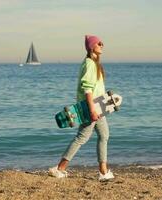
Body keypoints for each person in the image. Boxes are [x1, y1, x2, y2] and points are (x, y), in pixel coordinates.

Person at [49, 35, 114, 181]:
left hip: (98, 106)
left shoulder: (93, 63)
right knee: (82, 137)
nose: (102, 45)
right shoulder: (90, 64)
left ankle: (103, 171)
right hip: (91, 107)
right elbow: (87, 89)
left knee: (104, 135)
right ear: (92, 47)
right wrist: (91, 110)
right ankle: (59, 168)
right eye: (99, 43)